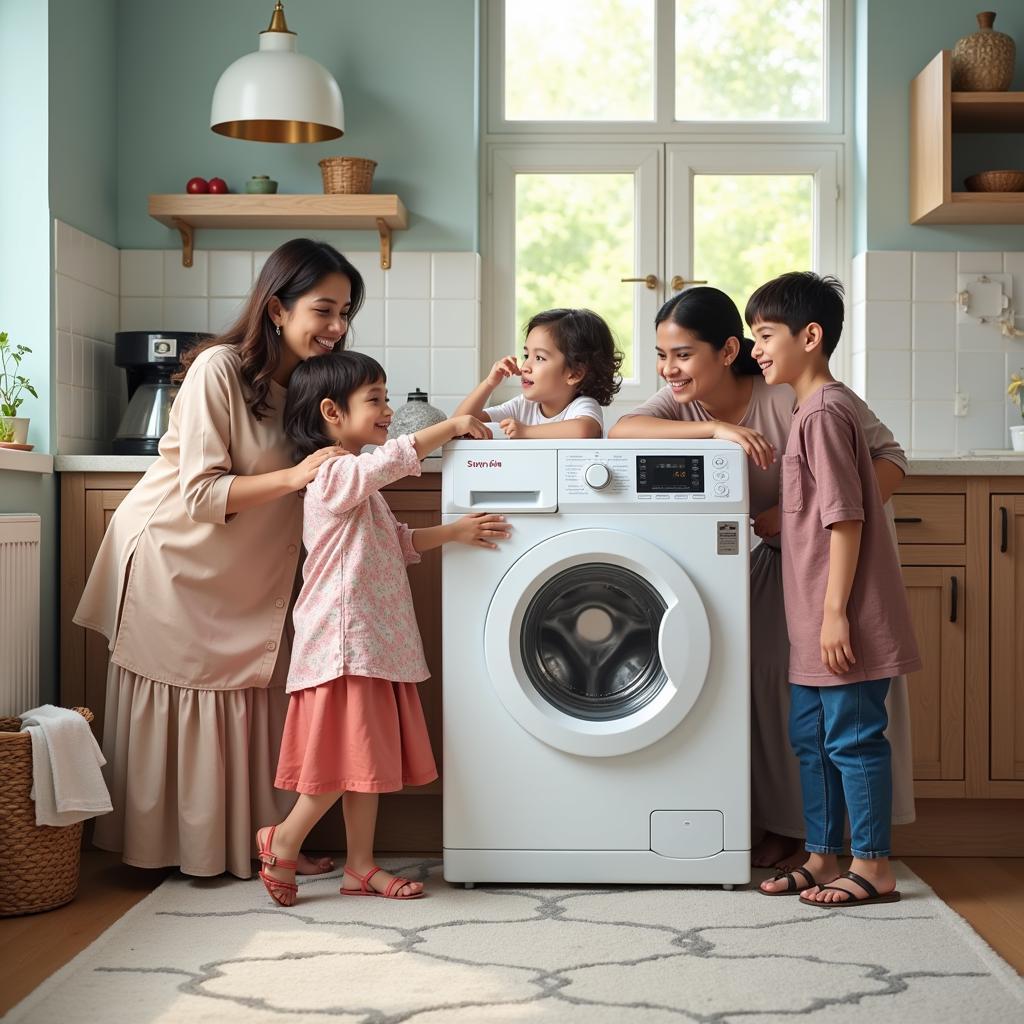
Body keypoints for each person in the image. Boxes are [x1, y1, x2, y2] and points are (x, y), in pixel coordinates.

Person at [74, 238, 365, 878]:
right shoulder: (220, 370)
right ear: (276, 309)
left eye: (346, 312)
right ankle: (164, 853)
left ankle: (254, 845)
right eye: (324, 310)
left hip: (251, 566)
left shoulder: (312, 386)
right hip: (178, 557)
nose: (337, 328)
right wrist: (296, 478)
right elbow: (203, 493)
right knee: (188, 691)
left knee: (258, 696)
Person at [609, 286, 916, 874]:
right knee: (763, 691)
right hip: (775, 560)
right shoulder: (685, 403)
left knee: (840, 707)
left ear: (729, 351)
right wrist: (714, 433)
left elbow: (891, 460)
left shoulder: (799, 397)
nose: (669, 368)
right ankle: (784, 828)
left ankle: (840, 845)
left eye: (682, 354)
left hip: (829, 561)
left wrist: (806, 516)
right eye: (661, 354)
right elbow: (624, 430)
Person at [254, 352, 509, 906]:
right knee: (340, 762)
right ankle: (284, 838)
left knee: (361, 763)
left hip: (369, 643)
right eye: (376, 399)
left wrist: (455, 532)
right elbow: (392, 459)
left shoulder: (358, 485)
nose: (389, 410)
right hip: (343, 644)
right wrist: (452, 425)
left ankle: (360, 866)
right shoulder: (333, 472)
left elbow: (398, 544)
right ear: (331, 412)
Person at [747, 271, 921, 907]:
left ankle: (872, 865)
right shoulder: (811, 410)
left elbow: (844, 518)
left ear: (810, 336)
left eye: (765, 335)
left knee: (851, 738)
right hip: (812, 618)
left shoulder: (823, 413)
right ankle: (822, 856)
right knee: (812, 741)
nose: (756, 348)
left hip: (840, 616)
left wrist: (834, 615)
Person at [455, 307, 622, 438]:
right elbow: (458, 425)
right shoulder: (522, 406)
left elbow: (584, 430)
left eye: (540, 358)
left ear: (575, 374)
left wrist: (525, 432)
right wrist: (489, 384)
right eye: (526, 355)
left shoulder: (582, 406)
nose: (525, 366)